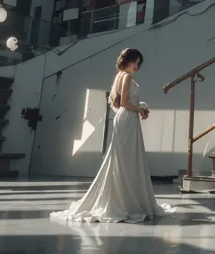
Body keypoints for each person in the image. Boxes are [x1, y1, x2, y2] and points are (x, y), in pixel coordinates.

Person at [51, 48, 172, 223]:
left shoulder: (119, 76)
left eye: (139, 63)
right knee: (127, 161)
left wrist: (140, 107)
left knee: (123, 160)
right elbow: (124, 103)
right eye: (134, 61)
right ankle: (126, 202)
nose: (137, 66)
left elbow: (121, 102)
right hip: (127, 119)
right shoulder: (127, 76)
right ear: (127, 60)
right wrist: (140, 109)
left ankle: (123, 199)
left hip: (125, 119)